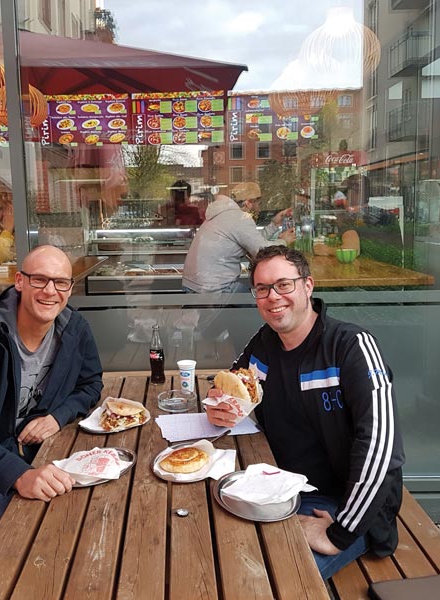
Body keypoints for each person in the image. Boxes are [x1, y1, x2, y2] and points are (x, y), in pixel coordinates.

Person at [206, 245, 404, 579]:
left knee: (270, 578)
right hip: (278, 487)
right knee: (216, 547)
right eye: (262, 289)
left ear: (308, 286)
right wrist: (220, 403)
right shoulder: (264, 341)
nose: (273, 297)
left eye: (284, 285)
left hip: (340, 504)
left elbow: (381, 449)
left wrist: (340, 532)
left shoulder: (351, 346)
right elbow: (232, 383)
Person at [0, 245, 104, 547]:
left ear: (70, 288)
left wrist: (56, 417)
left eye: (60, 282)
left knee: (91, 523)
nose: (50, 291)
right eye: (39, 280)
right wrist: (20, 475)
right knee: (32, 545)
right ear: (20, 281)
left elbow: (90, 385)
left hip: (38, 458)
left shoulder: (74, 328)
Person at [182, 181, 295, 293]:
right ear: (248, 203)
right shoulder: (238, 218)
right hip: (212, 289)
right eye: (258, 204)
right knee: (262, 300)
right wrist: (284, 241)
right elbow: (262, 251)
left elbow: (251, 242)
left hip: (196, 285)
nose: (259, 209)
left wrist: (274, 225)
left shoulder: (225, 214)